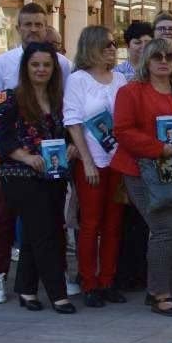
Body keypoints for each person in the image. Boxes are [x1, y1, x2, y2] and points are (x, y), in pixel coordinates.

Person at [0, 3, 74, 304]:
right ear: (18, 27)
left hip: (54, 170)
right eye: (28, 24)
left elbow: (70, 122)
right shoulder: (7, 86)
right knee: (37, 228)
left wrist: (73, 146)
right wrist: (24, 156)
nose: (41, 69)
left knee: (44, 227)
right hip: (19, 171)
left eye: (39, 24)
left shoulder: (59, 87)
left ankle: (26, 288)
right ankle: (57, 294)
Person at [110, 38, 172, 316]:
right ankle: (158, 294)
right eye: (157, 57)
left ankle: (157, 288)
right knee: (163, 228)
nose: (163, 61)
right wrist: (157, 148)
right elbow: (123, 131)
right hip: (142, 169)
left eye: (169, 57)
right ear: (146, 61)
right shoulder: (131, 92)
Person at [62, 25, 127, 308]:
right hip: (92, 161)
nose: (112, 49)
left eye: (114, 45)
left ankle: (108, 279)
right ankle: (88, 281)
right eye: (107, 45)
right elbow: (73, 120)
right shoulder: (78, 80)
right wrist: (86, 160)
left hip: (118, 160)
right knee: (90, 224)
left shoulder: (120, 79)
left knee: (114, 224)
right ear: (92, 47)